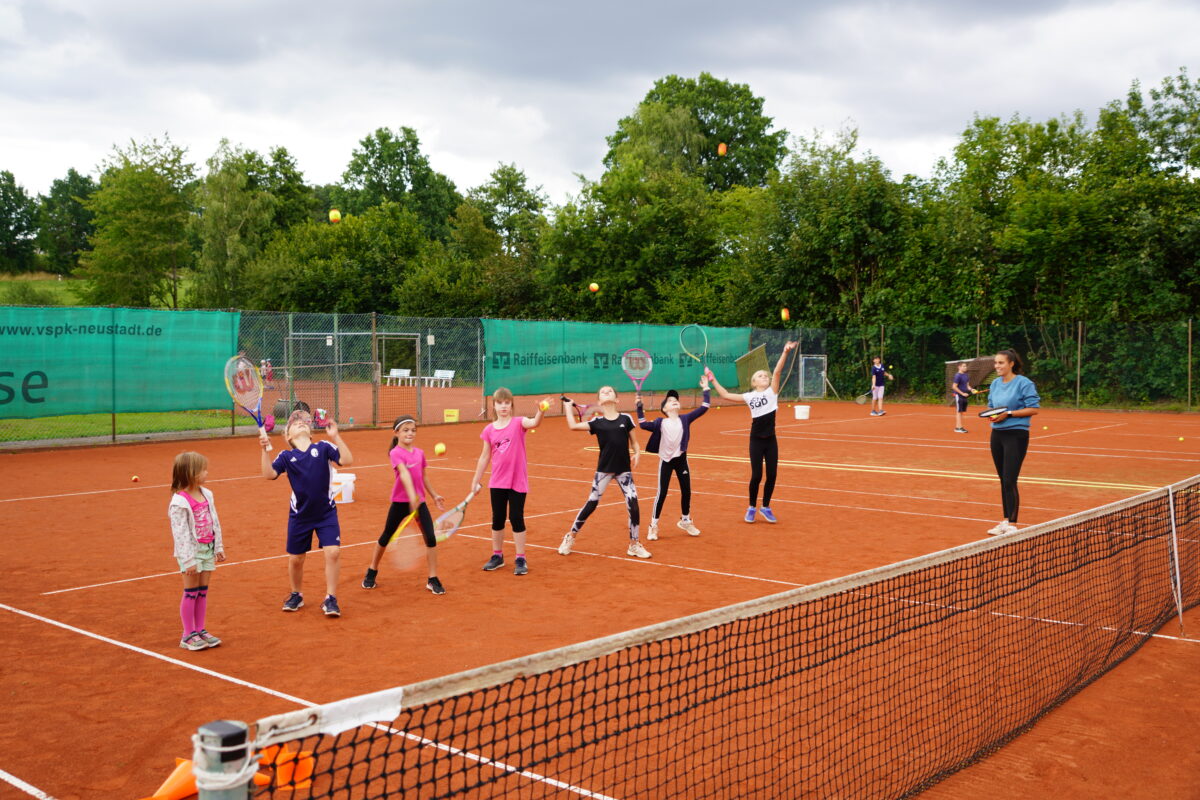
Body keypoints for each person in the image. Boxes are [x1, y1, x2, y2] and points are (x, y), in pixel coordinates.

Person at [259, 409, 353, 616]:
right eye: (294, 423)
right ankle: (296, 594)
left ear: (311, 434)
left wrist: (335, 436)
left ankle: (331, 598)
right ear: (288, 437)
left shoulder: (323, 447)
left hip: (325, 512)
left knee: (333, 552)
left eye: (304, 422)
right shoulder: (286, 456)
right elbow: (269, 474)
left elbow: (346, 460)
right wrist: (264, 451)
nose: (300, 423)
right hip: (300, 515)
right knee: (296, 559)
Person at [708, 341, 797, 523]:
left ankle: (765, 507)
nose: (765, 376)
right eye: (760, 376)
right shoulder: (749, 397)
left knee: (772, 475)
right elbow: (725, 395)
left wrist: (785, 351)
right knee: (756, 475)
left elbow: (778, 371)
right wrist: (712, 379)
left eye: (766, 375)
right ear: (754, 382)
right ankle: (751, 507)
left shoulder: (772, 392)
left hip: (771, 440)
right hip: (756, 440)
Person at [558, 386, 651, 559]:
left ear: (617, 399)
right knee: (591, 503)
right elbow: (572, 426)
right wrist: (567, 408)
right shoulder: (596, 422)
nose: (606, 392)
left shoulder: (626, 418)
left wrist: (637, 452)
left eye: (610, 391)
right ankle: (570, 536)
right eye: (603, 391)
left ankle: (634, 544)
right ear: (600, 401)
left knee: (634, 504)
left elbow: (634, 443)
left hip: (624, 471)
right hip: (604, 470)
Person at [362, 415, 447, 594]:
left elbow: (423, 477)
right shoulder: (395, 453)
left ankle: (432, 578)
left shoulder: (420, 453)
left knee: (430, 538)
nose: (410, 433)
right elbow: (404, 474)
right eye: (406, 430)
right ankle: (372, 570)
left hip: (420, 502)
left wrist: (434, 495)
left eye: (413, 430)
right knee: (386, 536)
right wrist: (411, 496)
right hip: (401, 502)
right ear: (396, 433)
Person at [470, 389, 549, 576]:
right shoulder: (488, 430)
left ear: (511, 405)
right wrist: (475, 481)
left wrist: (541, 411)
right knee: (497, 518)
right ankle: (497, 555)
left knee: (515, 517)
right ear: (494, 406)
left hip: (517, 481)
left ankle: (520, 557)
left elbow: (534, 422)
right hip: (497, 481)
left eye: (507, 403)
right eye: (500, 403)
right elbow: (484, 457)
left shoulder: (518, 423)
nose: (503, 406)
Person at [635, 378, 710, 540]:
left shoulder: (686, 419)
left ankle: (685, 520)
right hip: (666, 460)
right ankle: (653, 526)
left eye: (676, 400)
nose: (674, 401)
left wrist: (706, 389)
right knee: (662, 492)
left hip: (681, 459)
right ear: (664, 409)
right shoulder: (660, 423)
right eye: (670, 401)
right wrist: (639, 407)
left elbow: (704, 407)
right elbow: (641, 424)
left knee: (686, 490)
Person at [168, 451, 226, 651]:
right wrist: (188, 559)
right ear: (192, 473)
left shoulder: (207, 494)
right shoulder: (178, 502)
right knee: (191, 592)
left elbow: (214, 521)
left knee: (202, 591)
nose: (206, 472)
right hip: (191, 553)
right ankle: (187, 634)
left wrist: (218, 547)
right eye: (203, 469)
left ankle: (200, 630)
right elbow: (180, 533)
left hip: (208, 548)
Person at [985, 349, 1040, 535]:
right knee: (1003, 479)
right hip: (997, 435)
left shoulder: (1024, 383)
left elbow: (1033, 408)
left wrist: (1008, 414)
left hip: (1016, 434)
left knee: (1010, 479)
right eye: (996, 363)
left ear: (1011, 364)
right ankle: (1005, 521)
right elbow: (991, 406)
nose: (997, 366)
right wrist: (992, 415)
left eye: (1001, 363)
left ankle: (1012, 524)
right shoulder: (994, 384)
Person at [951, 361, 975, 433]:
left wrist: (971, 389)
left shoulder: (966, 375)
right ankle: (959, 428)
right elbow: (954, 387)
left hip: (964, 395)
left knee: (961, 412)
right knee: (959, 412)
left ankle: (958, 427)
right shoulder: (957, 376)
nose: (965, 367)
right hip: (958, 395)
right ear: (959, 367)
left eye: (965, 366)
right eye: (963, 366)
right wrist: (962, 393)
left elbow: (967, 386)